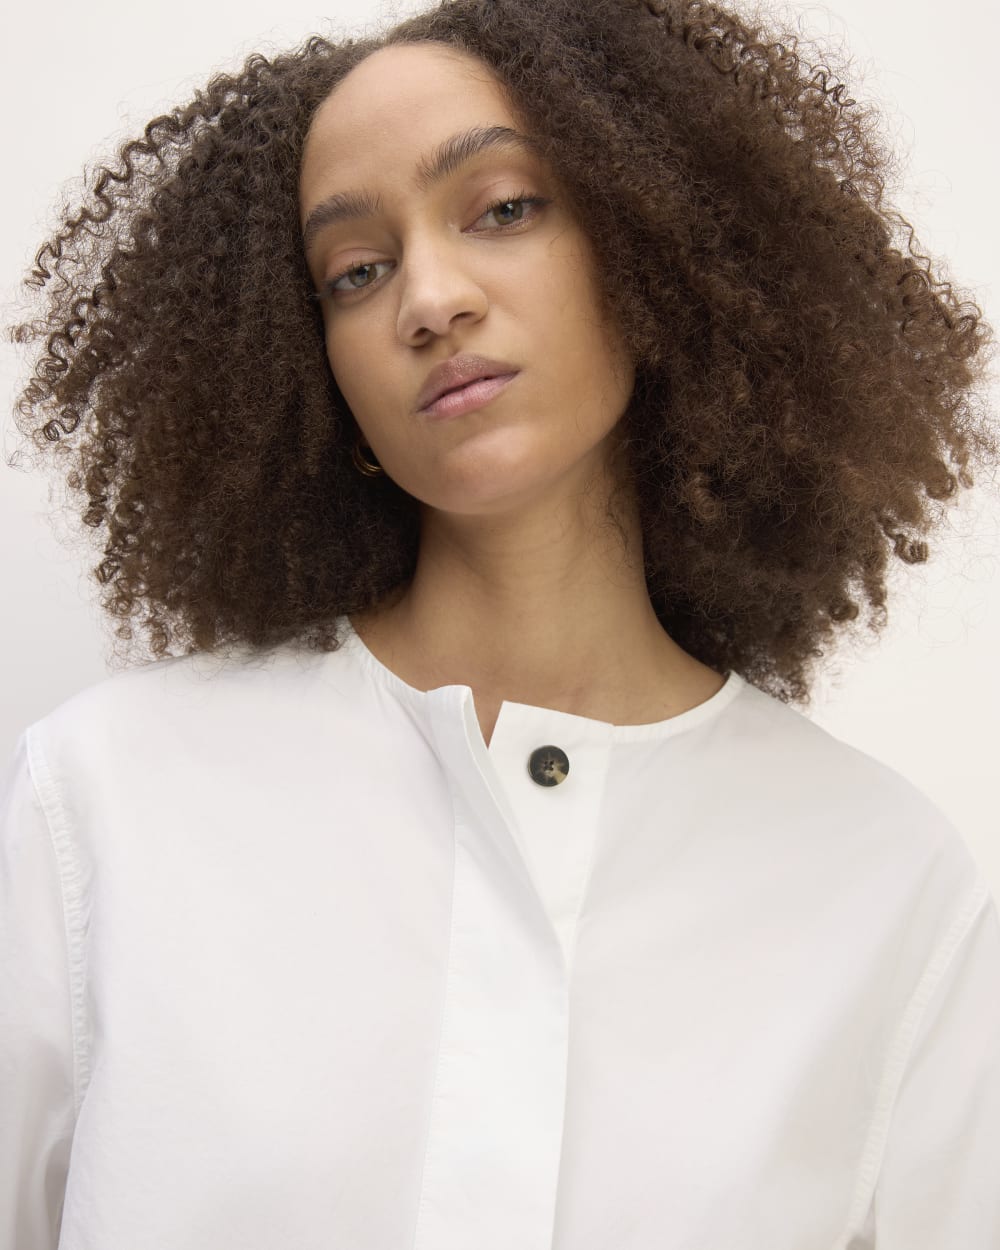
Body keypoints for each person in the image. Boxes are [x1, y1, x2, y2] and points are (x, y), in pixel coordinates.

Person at [2, 0, 998, 1246]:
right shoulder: (107, 802)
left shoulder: (884, 886)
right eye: (355, 272)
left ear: (654, 247)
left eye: (504, 207)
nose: (428, 298)